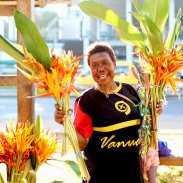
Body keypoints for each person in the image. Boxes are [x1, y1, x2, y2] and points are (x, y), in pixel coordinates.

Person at [54, 42, 162, 183]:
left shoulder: (130, 91)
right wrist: (66, 123)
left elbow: (142, 127)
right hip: (101, 177)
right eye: (94, 65)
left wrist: (154, 112)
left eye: (105, 63)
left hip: (133, 175)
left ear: (114, 63)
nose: (100, 69)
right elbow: (81, 145)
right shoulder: (86, 101)